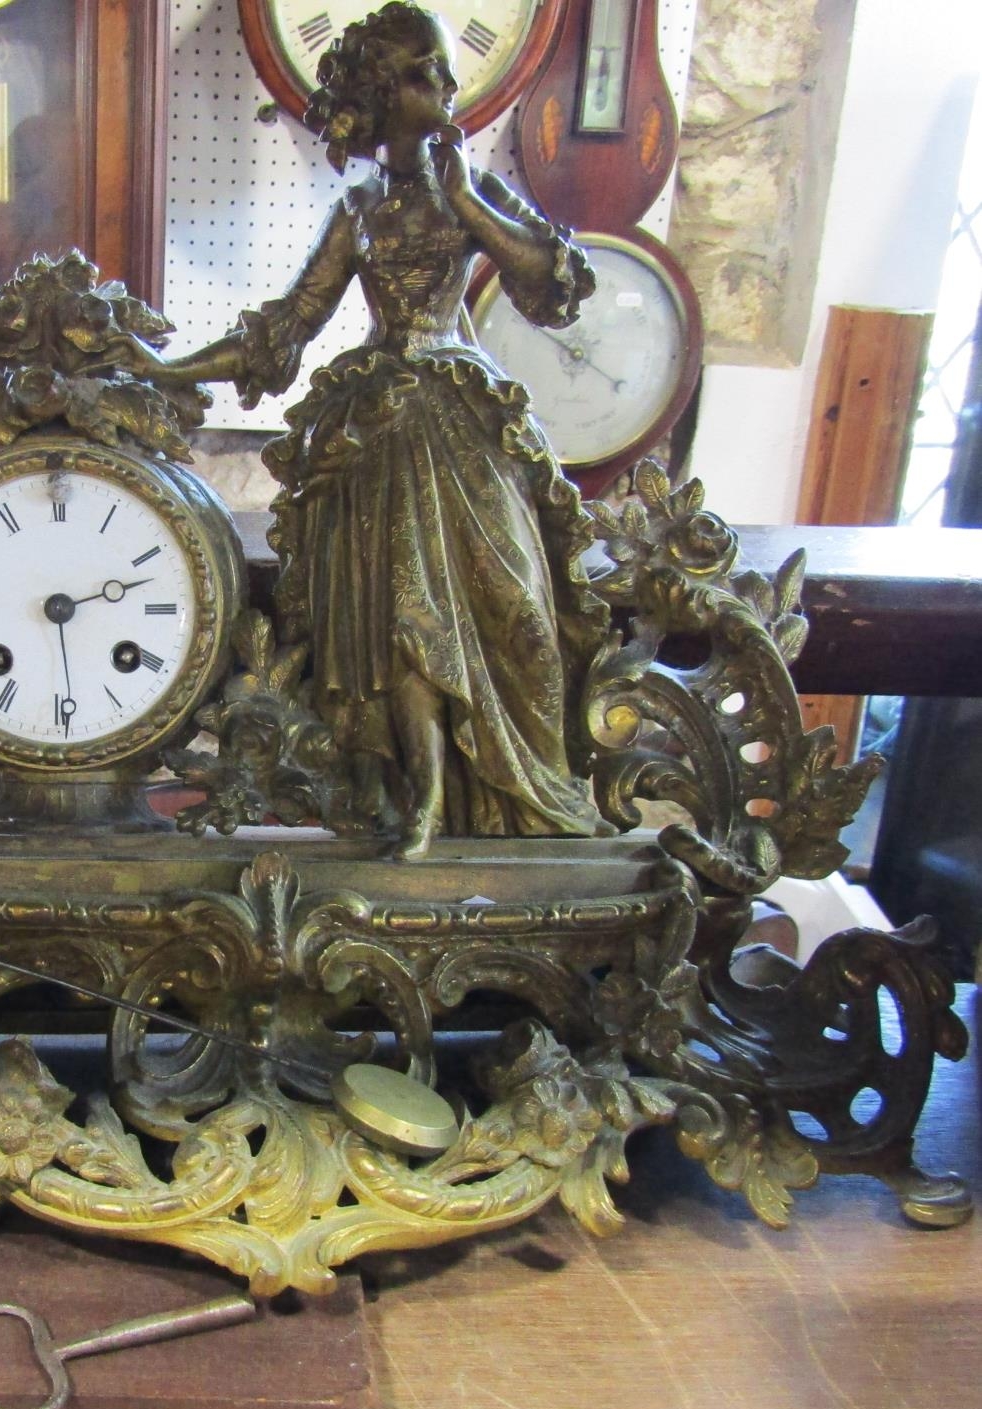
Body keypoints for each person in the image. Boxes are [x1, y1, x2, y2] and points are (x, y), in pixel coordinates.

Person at [133, 3, 609, 858]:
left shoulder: (474, 191)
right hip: (381, 432)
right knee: (405, 628)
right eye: (428, 73)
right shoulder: (357, 212)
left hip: (467, 422)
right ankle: (421, 805)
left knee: (524, 617)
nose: (449, 87)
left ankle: (535, 803)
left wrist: (467, 201)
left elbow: (552, 286)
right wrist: (161, 371)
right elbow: (280, 335)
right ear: (387, 94)